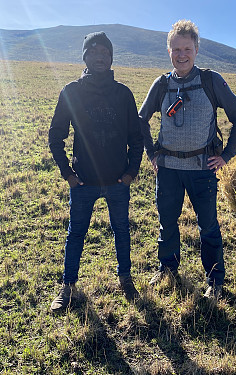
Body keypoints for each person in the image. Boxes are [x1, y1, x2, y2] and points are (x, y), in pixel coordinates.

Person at [139, 20, 236, 300]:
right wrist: (151, 152)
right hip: (168, 169)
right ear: (169, 51)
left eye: (187, 48)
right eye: (176, 49)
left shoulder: (211, 80)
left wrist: (225, 156)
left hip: (202, 169)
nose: (181, 54)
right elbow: (140, 119)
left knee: (208, 225)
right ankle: (167, 267)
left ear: (197, 49)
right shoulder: (162, 84)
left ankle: (214, 280)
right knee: (167, 220)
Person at [49, 31, 144, 311]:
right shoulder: (72, 92)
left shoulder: (123, 93)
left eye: (105, 52)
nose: (100, 57)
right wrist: (68, 174)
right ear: (85, 57)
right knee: (75, 233)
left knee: (122, 230)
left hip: (117, 182)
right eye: (94, 52)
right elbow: (56, 137)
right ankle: (67, 287)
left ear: (112, 58)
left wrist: (130, 173)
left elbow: (136, 138)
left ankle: (125, 279)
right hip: (83, 183)